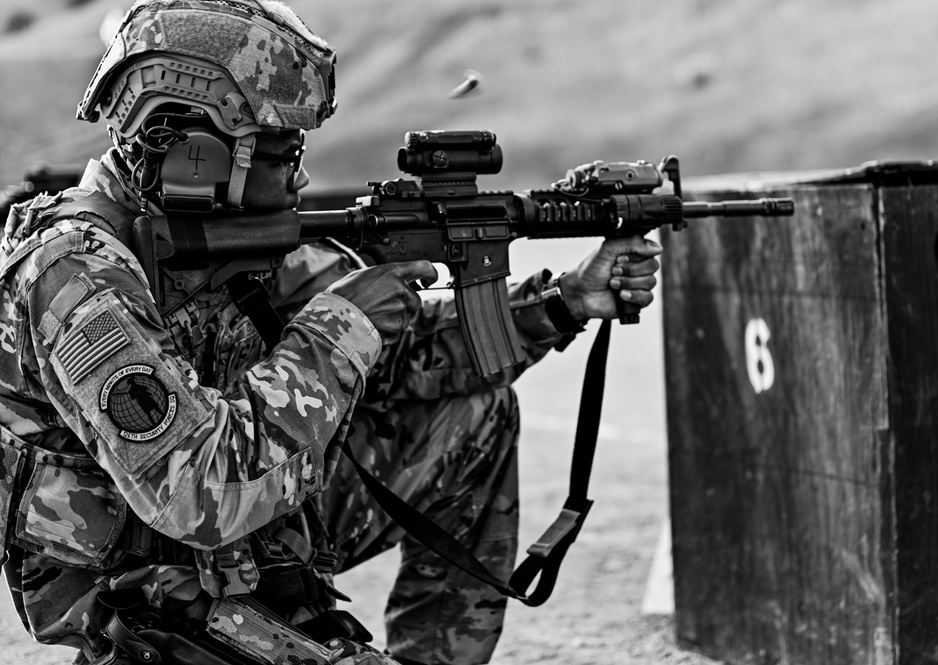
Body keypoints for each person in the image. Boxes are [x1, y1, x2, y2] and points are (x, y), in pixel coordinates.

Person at [0, 1, 662, 663]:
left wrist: (566, 300)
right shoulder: (74, 272)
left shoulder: (231, 241)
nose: (302, 176)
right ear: (196, 151)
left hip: (242, 542)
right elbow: (197, 492)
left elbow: (409, 358)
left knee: (476, 410)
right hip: (137, 585)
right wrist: (341, 326)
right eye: (284, 151)